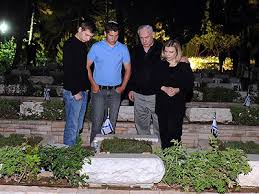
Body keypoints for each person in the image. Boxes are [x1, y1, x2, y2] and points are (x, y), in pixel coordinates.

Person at [86, 21, 131, 144]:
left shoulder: (123, 48)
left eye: (116, 35)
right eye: (111, 35)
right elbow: (87, 66)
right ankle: (93, 152)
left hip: (116, 91)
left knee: (111, 123)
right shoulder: (96, 47)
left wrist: (123, 87)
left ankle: (108, 152)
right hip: (98, 90)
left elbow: (128, 69)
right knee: (97, 122)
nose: (114, 38)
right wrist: (93, 84)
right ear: (105, 33)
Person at [155, 40, 194, 149]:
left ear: (177, 52)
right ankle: (165, 158)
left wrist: (177, 90)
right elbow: (153, 82)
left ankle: (175, 158)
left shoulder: (184, 66)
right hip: (162, 103)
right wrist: (164, 88)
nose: (168, 54)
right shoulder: (160, 65)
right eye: (166, 51)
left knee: (175, 132)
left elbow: (189, 84)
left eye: (171, 52)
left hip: (177, 104)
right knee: (164, 133)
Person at [63, 20, 96, 146]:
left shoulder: (82, 45)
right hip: (73, 91)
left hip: (83, 90)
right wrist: (75, 91)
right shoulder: (69, 44)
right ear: (80, 30)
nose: (88, 39)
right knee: (72, 125)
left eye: (90, 37)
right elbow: (68, 70)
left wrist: (87, 88)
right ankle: (68, 155)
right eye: (86, 35)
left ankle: (74, 152)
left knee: (79, 124)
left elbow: (83, 69)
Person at [128, 25, 162, 139]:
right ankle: (145, 149)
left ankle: (160, 150)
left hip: (156, 94)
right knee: (141, 125)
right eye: (141, 38)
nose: (144, 40)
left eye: (146, 37)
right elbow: (131, 71)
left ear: (153, 35)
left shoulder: (162, 49)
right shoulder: (135, 50)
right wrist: (131, 88)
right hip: (139, 94)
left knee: (159, 124)